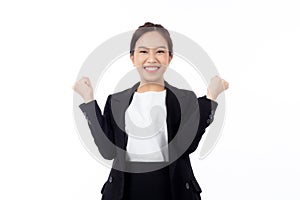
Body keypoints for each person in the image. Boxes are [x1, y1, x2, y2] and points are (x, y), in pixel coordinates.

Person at [72, 22, 229, 200]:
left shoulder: (185, 99)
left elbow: (186, 145)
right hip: (126, 190)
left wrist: (210, 99)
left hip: (170, 189)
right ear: (133, 58)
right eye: (144, 51)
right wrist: (89, 100)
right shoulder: (116, 101)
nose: (152, 58)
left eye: (160, 51)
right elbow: (107, 151)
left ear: (169, 58)